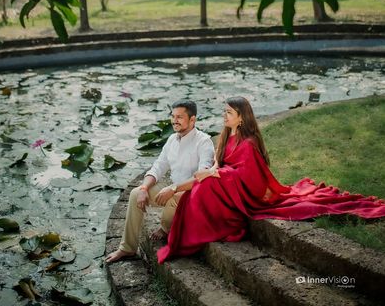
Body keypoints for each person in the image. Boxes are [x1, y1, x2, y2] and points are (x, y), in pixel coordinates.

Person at [157, 96, 385, 263]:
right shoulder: (227, 134)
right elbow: (220, 161)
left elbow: (249, 176)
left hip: (245, 189)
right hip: (227, 183)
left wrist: (215, 174)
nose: (224, 115)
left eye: (228, 113)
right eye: (224, 111)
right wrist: (213, 169)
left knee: (206, 186)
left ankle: (213, 228)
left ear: (240, 118)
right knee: (202, 185)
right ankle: (191, 233)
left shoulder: (249, 142)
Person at [105, 99, 214, 263]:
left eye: (180, 117)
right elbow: (158, 167)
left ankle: (165, 228)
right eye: (173, 116)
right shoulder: (171, 139)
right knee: (135, 194)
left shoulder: (204, 141)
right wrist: (143, 188)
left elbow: (203, 176)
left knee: (177, 196)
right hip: (172, 188)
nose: (174, 120)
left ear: (193, 120)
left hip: (192, 194)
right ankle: (127, 248)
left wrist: (174, 188)